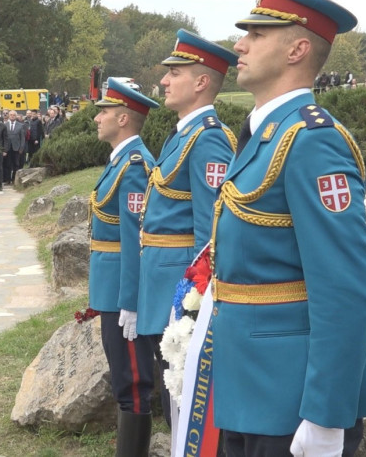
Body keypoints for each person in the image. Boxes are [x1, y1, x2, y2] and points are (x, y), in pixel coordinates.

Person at [211, 0, 366, 456]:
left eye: (255, 34)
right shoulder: (265, 134)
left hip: (291, 399)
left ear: (296, 51)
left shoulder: (312, 141)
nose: (239, 45)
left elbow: (345, 286)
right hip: (247, 386)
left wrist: (327, 415)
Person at [137, 29, 238, 427]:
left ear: (200, 82)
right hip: (161, 285)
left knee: (186, 409)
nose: (163, 80)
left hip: (181, 293)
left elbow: (210, 234)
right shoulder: (182, 135)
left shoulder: (208, 140)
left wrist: (196, 306)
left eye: (174, 73)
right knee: (174, 404)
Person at [88, 78, 158, 455]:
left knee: (132, 384)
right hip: (109, 287)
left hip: (121, 293)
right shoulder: (119, 161)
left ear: (124, 117)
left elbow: (135, 238)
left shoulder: (134, 165)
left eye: (104, 111)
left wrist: (131, 300)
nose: (97, 118)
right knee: (122, 382)